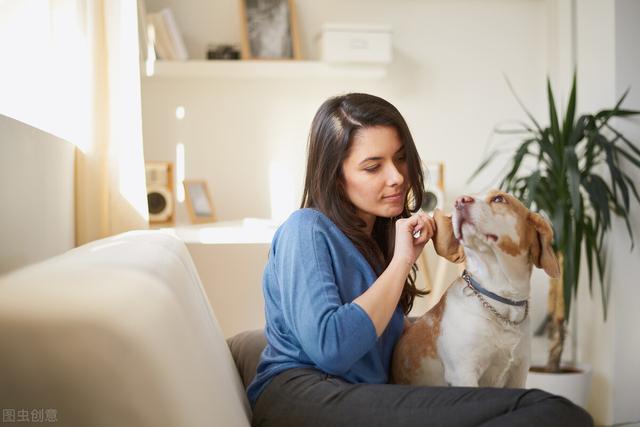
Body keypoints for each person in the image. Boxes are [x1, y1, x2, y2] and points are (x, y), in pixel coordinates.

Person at [247, 93, 593, 426]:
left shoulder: (376, 243)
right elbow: (331, 348)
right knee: (549, 411)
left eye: (400, 158)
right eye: (373, 167)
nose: (397, 177)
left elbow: (388, 343)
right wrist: (401, 262)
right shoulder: (305, 229)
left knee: (536, 411)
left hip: (367, 395)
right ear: (336, 177)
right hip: (303, 399)